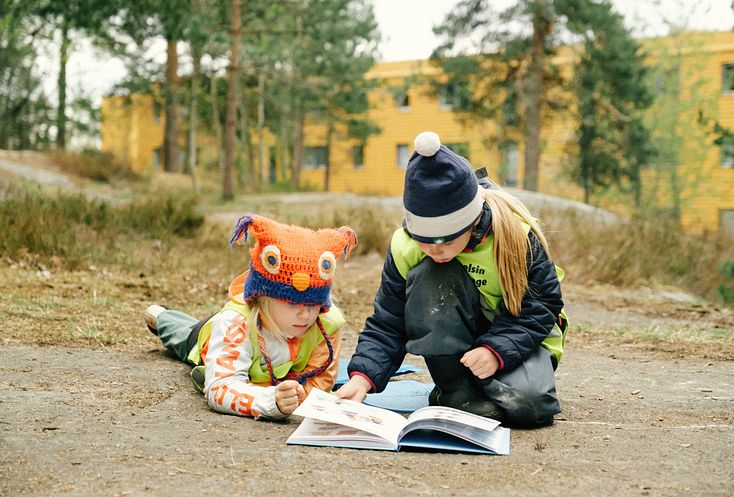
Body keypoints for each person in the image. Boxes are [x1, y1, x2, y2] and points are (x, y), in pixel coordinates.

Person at [335, 131, 568, 428]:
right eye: (424, 240)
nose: (435, 249)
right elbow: (389, 321)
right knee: (433, 274)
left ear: (471, 222)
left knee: (530, 405)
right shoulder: (406, 246)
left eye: (446, 239)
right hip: (458, 351)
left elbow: (543, 306)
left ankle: (491, 387)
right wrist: (363, 376)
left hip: (520, 339)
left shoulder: (515, 236)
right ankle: (455, 390)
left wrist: (495, 351)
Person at [145, 213, 357, 420]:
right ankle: (161, 316)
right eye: (292, 304)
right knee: (181, 334)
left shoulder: (326, 324)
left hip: (265, 364)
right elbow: (220, 387)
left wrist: (298, 398)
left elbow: (320, 382)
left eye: (314, 304)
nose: (305, 314)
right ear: (264, 298)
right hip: (207, 337)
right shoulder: (233, 323)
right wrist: (270, 400)